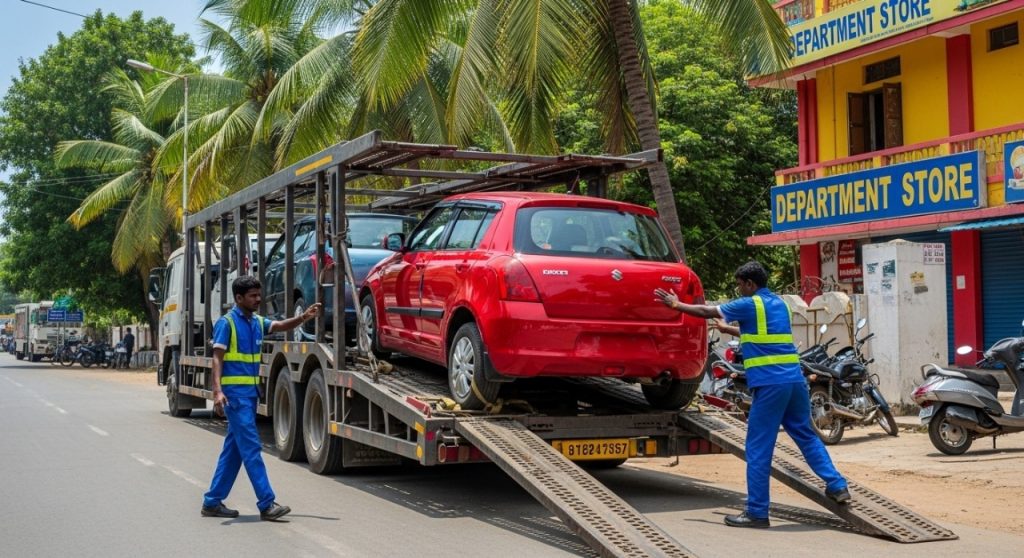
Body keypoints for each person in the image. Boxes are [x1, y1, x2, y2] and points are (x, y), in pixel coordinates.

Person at [654, 261, 850, 529]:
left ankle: (757, 512)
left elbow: (706, 310)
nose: (739, 289)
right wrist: (730, 330)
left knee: (758, 448)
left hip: (770, 385)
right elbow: (763, 334)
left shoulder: (748, 304)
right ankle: (837, 485)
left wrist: (677, 305)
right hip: (795, 381)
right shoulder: (779, 304)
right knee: (805, 435)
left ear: (749, 283)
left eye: (740, 285)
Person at [201, 276, 322, 521]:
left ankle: (212, 502)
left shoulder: (256, 322)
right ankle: (266, 503)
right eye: (253, 296)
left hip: (249, 396)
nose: (258, 299)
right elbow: (217, 358)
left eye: (259, 294)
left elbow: (278, 326)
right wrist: (217, 392)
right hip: (235, 398)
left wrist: (304, 317)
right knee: (252, 448)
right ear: (238, 298)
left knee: (234, 451)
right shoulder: (227, 324)